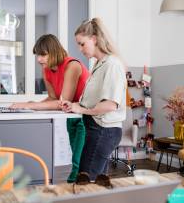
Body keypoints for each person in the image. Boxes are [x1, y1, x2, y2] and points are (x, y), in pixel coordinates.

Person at [10, 34, 89, 183]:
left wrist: (30, 105)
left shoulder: (72, 66)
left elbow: (62, 102)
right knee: (76, 160)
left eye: (43, 55)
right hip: (71, 116)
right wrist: (31, 104)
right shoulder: (46, 70)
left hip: (86, 116)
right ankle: (78, 191)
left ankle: (77, 191)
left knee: (79, 164)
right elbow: (53, 98)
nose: (39, 59)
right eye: (37, 55)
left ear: (54, 52)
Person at [61, 18, 127, 183]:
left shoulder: (112, 64)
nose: (80, 49)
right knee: (97, 182)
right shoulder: (100, 64)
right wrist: (75, 105)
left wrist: (81, 110)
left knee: (85, 181)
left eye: (82, 44)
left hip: (104, 131)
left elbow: (110, 105)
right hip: (96, 129)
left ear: (94, 39)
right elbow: (93, 101)